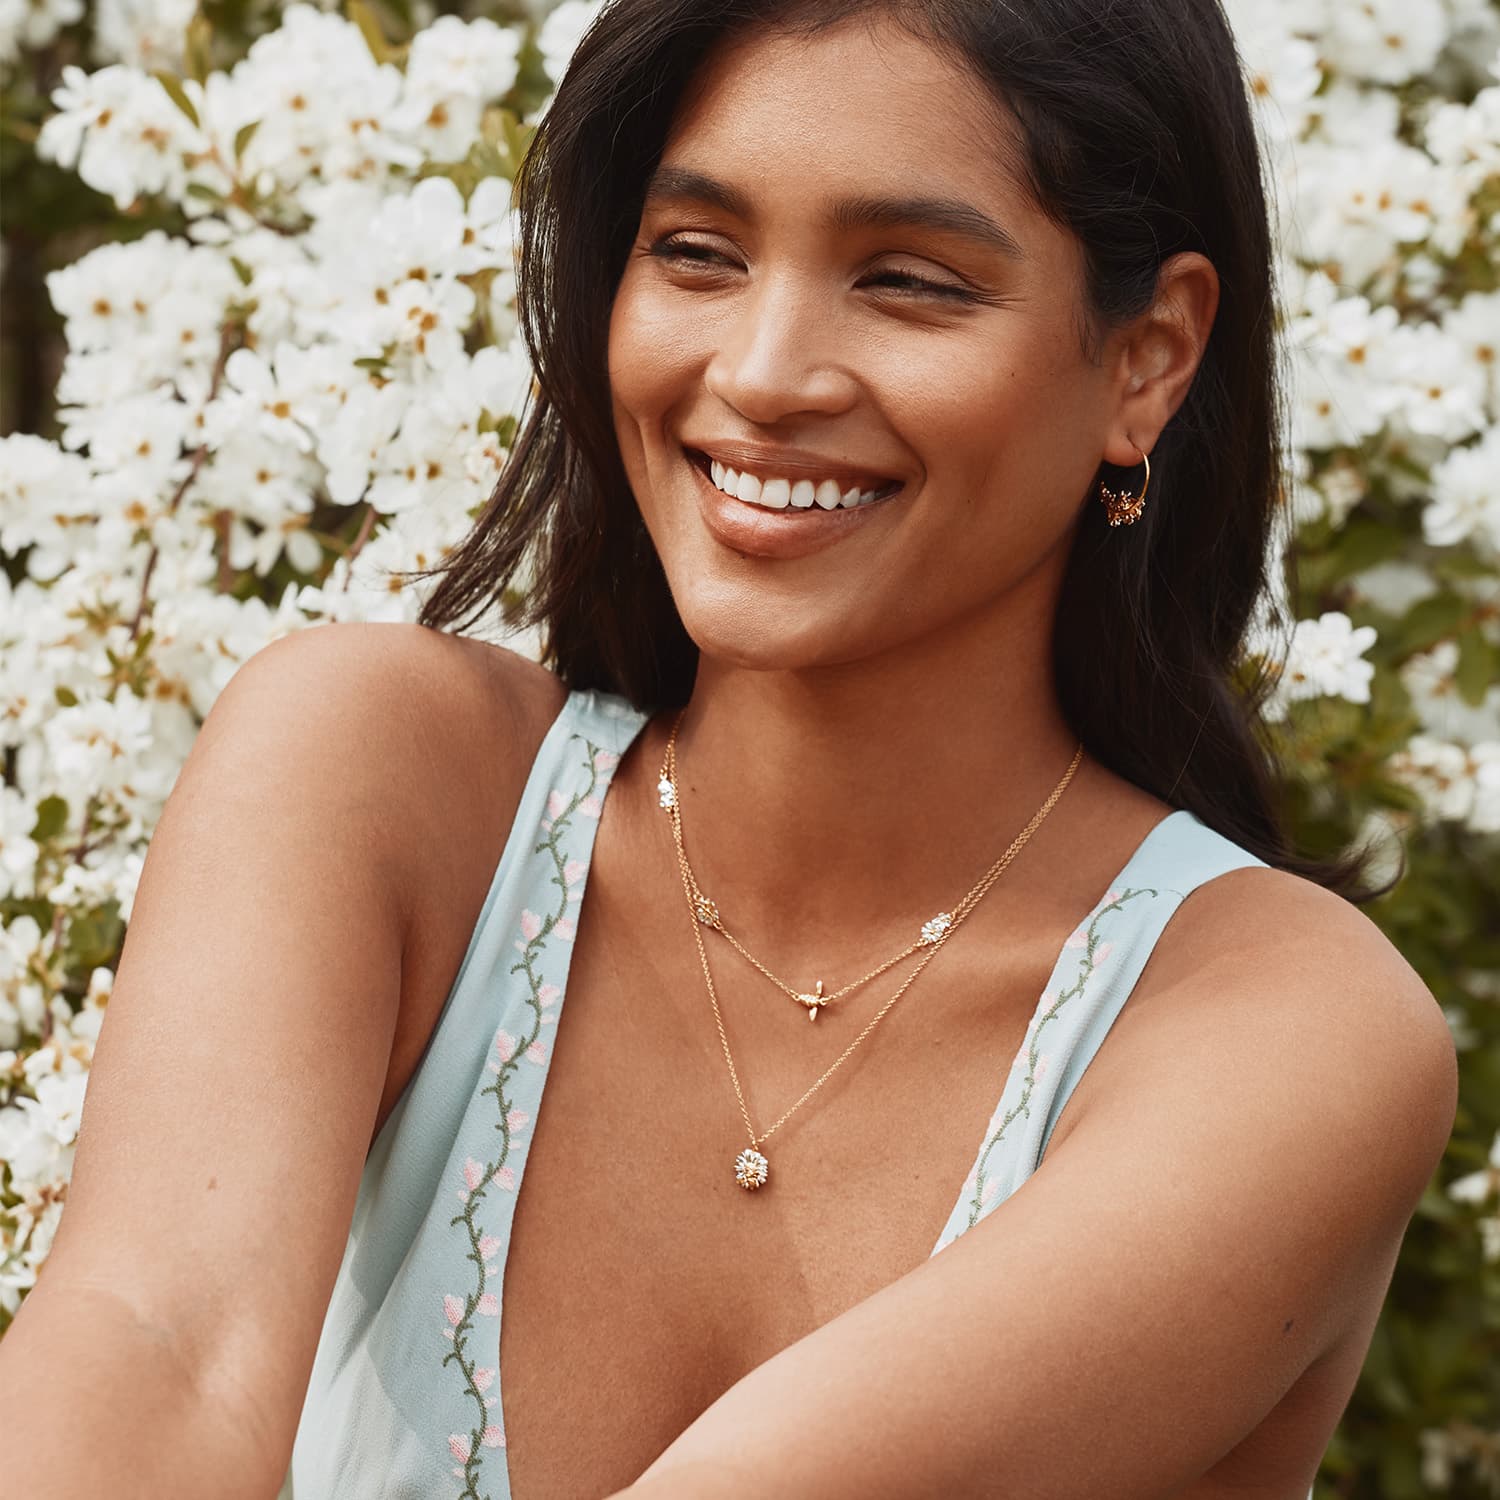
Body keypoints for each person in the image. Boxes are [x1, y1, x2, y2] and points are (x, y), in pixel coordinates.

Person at [0, 1, 1459, 1496]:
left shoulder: (1283, 1030)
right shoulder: (382, 784)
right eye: (696, 252)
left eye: (907, 281)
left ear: (1146, 360)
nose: (765, 372)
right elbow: (151, 1347)